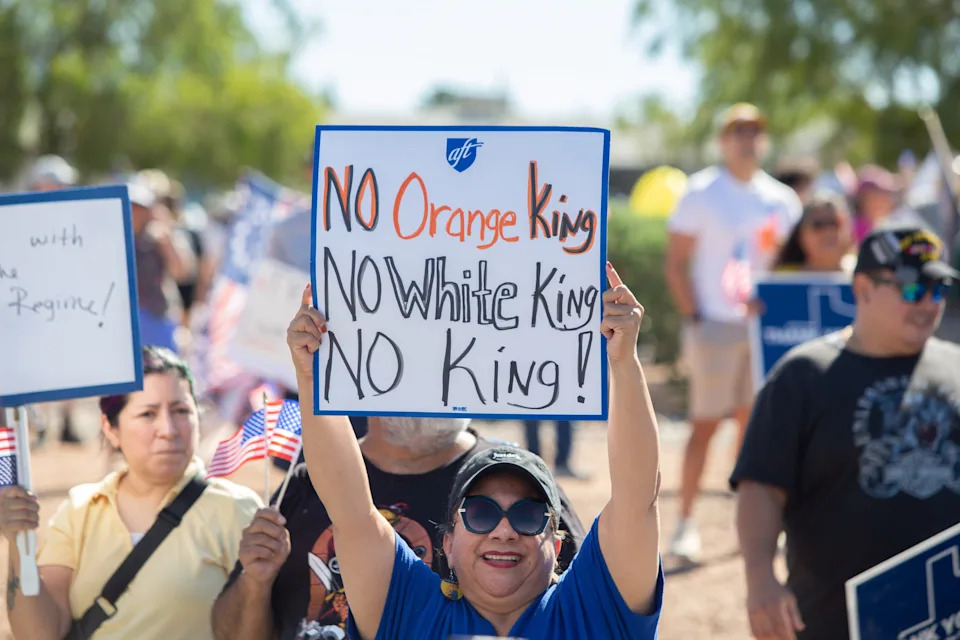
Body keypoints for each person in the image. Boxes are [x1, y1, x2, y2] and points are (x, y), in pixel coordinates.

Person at [279, 263, 663, 639]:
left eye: (529, 515)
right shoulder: (407, 608)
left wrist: (624, 362)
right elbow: (350, 510)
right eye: (480, 513)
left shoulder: (593, 611)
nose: (504, 530)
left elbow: (637, 496)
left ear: (557, 545)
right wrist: (313, 378)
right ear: (447, 544)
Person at [731, 226, 960, 640]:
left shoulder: (956, 367)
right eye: (911, 288)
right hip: (836, 620)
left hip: (947, 614)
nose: (928, 302)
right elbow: (761, 487)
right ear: (863, 288)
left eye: (938, 288)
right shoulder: (803, 375)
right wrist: (759, 577)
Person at [212, 418, 586, 639]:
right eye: (482, 515)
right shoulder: (307, 485)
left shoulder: (521, 487)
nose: (503, 530)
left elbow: (581, 616)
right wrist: (255, 582)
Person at [1, 346, 261, 639]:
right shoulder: (80, 510)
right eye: (148, 414)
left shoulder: (238, 509)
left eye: (181, 411)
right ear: (111, 428)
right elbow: (39, 634)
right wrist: (17, 542)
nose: (168, 429)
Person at [664, 102, 802, 562]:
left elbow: (791, 263)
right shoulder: (701, 191)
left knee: (755, 427)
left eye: (755, 130)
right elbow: (675, 261)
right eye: (738, 130)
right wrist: (696, 317)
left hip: (765, 330)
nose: (747, 138)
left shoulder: (782, 198)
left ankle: (749, 524)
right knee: (704, 426)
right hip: (716, 326)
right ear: (723, 140)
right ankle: (686, 521)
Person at [772, 193, 856, 273]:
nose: (828, 231)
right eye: (818, 225)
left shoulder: (863, 276)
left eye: (835, 223)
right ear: (801, 235)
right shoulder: (781, 280)